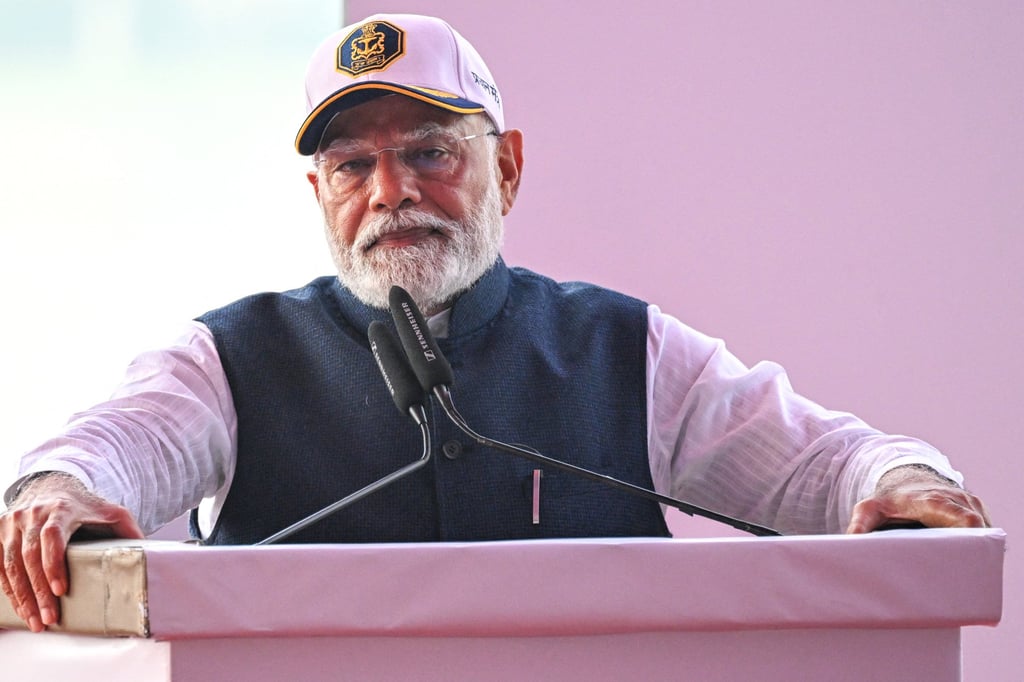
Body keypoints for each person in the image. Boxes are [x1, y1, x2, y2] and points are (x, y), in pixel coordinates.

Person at [0, 13, 989, 633]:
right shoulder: (226, 359)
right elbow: (106, 449)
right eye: (353, 166)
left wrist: (906, 480)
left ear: (506, 166)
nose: (391, 191)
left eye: (429, 151)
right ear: (319, 192)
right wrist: (53, 490)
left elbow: (825, 466)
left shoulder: (626, 350)